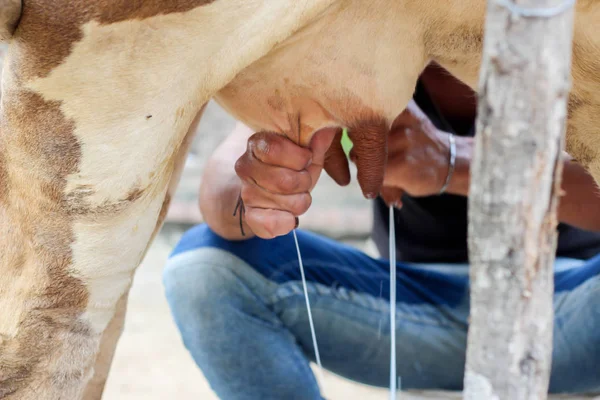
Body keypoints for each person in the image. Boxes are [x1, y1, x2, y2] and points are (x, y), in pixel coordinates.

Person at [162, 63, 600, 400]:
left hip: (574, 308)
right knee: (203, 268)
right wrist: (265, 179)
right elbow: (222, 195)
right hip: (406, 315)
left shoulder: (575, 29)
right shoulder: (360, 42)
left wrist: (457, 162)